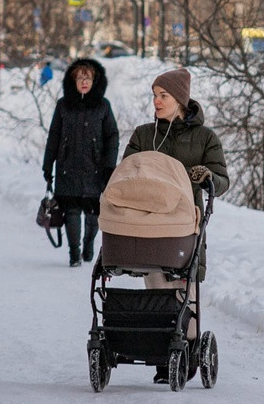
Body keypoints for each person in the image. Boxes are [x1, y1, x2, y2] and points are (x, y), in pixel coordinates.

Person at [122, 67, 229, 383]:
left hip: (185, 222)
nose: (156, 101)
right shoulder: (144, 135)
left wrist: (208, 178)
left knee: (183, 287)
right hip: (148, 221)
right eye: (154, 95)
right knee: (155, 283)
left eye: (163, 95)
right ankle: (159, 353)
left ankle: (188, 347)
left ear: (180, 99)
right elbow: (126, 170)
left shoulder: (204, 138)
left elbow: (222, 178)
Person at [42, 59, 119, 267]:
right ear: (72, 80)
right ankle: (74, 253)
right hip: (68, 168)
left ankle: (88, 244)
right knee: (72, 212)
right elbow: (54, 136)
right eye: (79, 77)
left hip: (95, 169)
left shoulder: (103, 106)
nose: (84, 82)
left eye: (88, 78)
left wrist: (110, 166)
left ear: (95, 81)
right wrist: (48, 165)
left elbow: (112, 136)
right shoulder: (63, 106)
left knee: (93, 215)